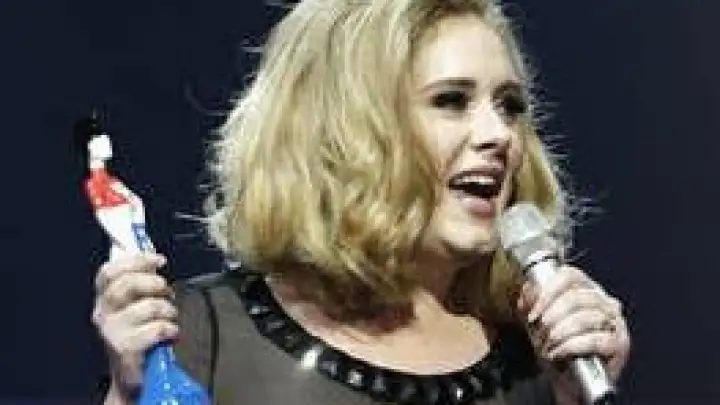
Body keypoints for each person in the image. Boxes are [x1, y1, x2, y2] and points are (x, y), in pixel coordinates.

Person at [92, 0, 631, 404]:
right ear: (345, 131)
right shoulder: (196, 337)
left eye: (509, 106)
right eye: (451, 101)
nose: (500, 135)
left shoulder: (542, 363)